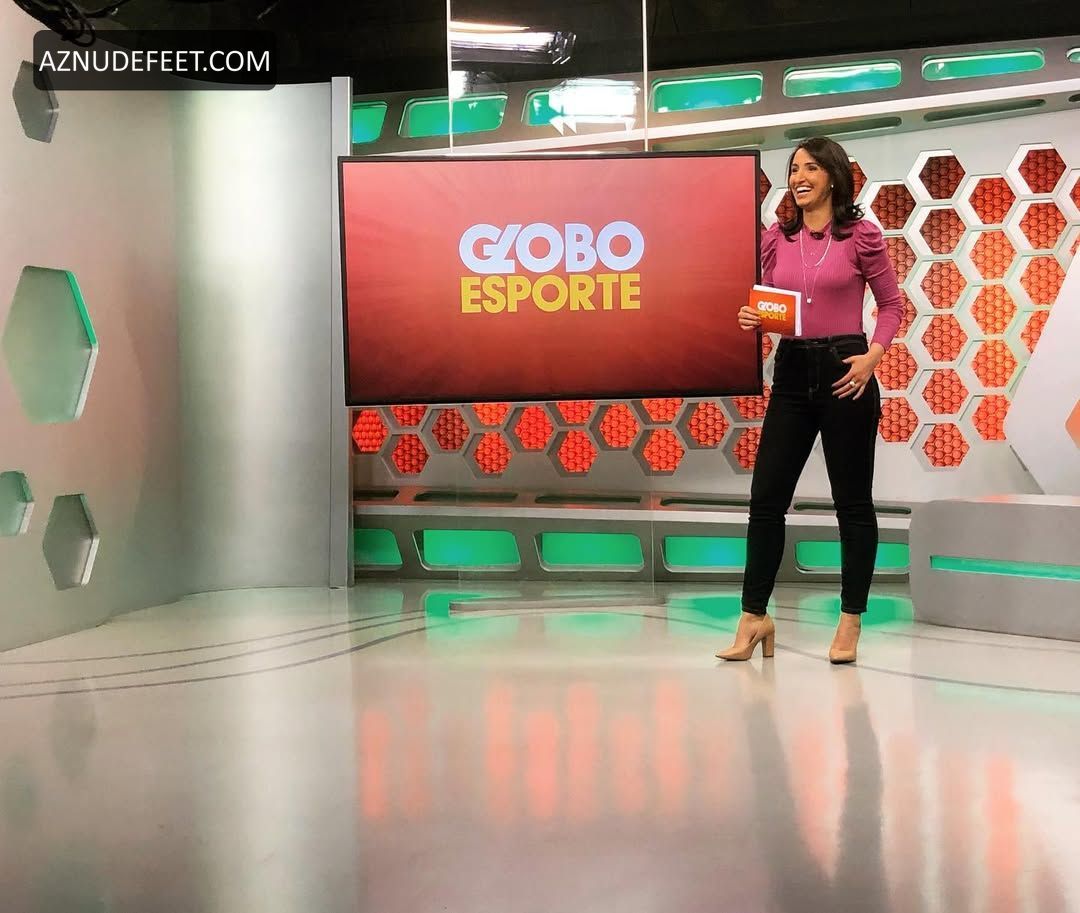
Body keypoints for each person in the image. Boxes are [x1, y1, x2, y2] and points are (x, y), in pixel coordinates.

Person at [717, 136, 904, 665]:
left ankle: (851, 618)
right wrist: (751, 318)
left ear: (834, 177)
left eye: (811, 168)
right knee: (766, 499)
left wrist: (872, 357)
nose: (799, 177)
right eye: (794, 169)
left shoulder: (861, 236)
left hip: (847, 370)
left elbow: (892, 306)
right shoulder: (776, 239)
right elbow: (769, 307)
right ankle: (754, 617)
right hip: (793, 370)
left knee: (852, 502)